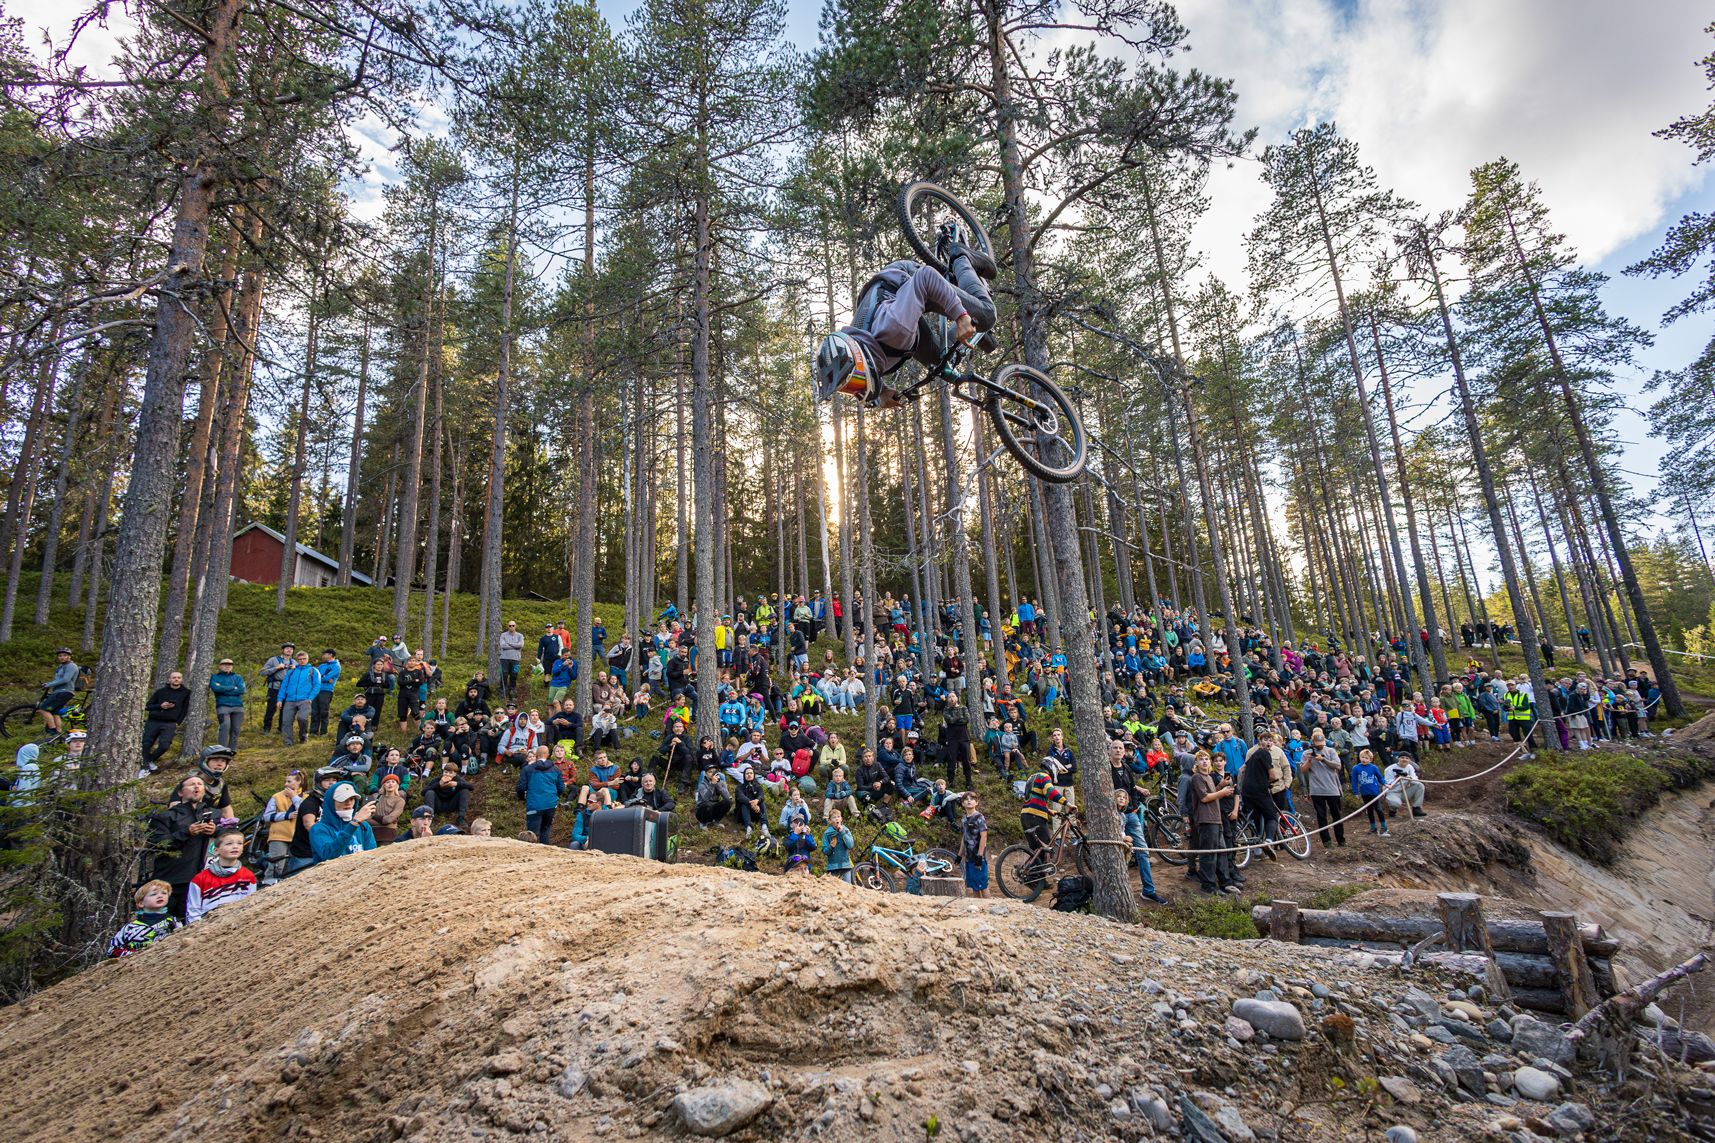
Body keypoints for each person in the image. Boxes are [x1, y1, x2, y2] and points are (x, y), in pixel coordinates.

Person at [145, 774, 222, 919]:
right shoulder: (166, 816)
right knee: (164, 921)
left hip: (204, 879)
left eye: (200, 784)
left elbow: (231, 837)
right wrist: (186, 833)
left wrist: (216, 831)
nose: (197, 786)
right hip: (172, 879)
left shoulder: (215, 815)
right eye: (191, 784)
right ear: (180, 792)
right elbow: (155, 843)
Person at [1189, 753, 1240, 895]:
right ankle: (1208, 884)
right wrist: (1222, 792)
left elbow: (1213, 793)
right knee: (1209, 854)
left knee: (1222, 852)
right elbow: (1204, 798)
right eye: (1201, 759)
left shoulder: (1209, 777)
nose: (1204, 762)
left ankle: (1225, 882)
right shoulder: (1197, 777)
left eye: (1206, 759)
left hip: (1217, 819)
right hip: (1206, 819)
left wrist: (1221, 787)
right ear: (1196, 763)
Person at [186, 827, 257, 923]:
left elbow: (252, 904)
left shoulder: (248, 876)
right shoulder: (200, 879)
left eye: (239, 843)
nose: (235, 846)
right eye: (229, 844)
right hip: (208, 928)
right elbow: (193, 911)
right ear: (216, 850)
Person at [1111, 786, 1167, 904]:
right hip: (1117, 840)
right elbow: (1111, 830)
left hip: (1130, 815)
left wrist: (1134, 806)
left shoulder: (1121, 814)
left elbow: (1132, 787)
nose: (1121, 799)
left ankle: (1147, 891)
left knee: (1141, 852)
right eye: (1119, 797)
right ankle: (1119, 895)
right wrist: (1123, 837)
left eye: (1124, 798)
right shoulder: (1112, 814)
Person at [285, 767, 344, 876]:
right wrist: (326, 841)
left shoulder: (335, 803)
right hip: (306, 854)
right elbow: (308, 824)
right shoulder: (311, 802)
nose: (331, 783)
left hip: (325, 852)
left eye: (334, 780)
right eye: (327, 780)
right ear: (319, 782)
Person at [107, 880, 182, 957]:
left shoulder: (173, 922)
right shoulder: (129, 928)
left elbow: (181, 941)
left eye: (164, 893)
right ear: (141, 903)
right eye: (153, 894)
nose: (160, 896)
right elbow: (112, 950)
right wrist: (135, 955)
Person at [309, 782, 377, 862]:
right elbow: (329, 855)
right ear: (331, 802)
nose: (348, 803)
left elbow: (372, 856)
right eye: (343, 799)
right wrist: (354, 823)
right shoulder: (319, 828)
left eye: (351, 799)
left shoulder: (363, 826)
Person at [259, 770, 304, 884]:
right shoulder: (277, 797)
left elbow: (304, 810)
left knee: (292, 868)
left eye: (289, 781)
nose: (286, 784)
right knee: (275, 866)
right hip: (279, 835)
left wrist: (294, 797)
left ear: (299, 782)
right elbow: (267, 816)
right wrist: (286, 815)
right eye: (285, 781)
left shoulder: (306, 796)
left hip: (298, 837)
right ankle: (267, 888)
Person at [141, 670, 192, 766]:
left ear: (181, 679)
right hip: (153, 720)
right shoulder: (160, 692)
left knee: (164, 746)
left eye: (178, 677)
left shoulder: (186, 693)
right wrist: (161, 706)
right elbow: (147, 706)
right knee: (146, 743)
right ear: (169, 679)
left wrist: (178, 722)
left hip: (170, 722)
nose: (176, 679)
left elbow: (185, 709)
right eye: (174, 677)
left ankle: (149, 761)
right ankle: (145, 766)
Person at [1304, 730, 1346, 848]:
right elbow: (1303, 770)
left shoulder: (1330, 751)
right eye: (1317, 743)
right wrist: (1309, 760)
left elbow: (1338, 766)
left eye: (1321, 743)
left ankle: (1341, 839)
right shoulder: (1307, 753)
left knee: (1337, 815)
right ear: (1312, 741)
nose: (1320, 745)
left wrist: (1322, 759)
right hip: (1316, 790)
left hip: (1332, 788)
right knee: (1321, 816)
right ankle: (1326, 841)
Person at [517, 749, 566, 843]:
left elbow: (520, 786)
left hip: (534, 803)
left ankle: (530, 854)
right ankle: (545, 852)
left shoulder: (528, 769)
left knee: (532, 833)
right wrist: (554, 796)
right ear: (548, 755)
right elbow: (561, 788)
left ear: (536, 756)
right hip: (551, 804)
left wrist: (522, 797)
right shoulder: (555, 769)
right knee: (546, 828)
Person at [277, 651, 321, 746]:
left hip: (305, 699)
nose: (302, 661)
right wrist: (280, 699)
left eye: (304, 659)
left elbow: (317, 685)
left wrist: (310, 698)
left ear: (307, 659)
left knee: (302, 718)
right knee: (286, 721)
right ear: (296, 660)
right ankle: (288, 741)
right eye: (300, 659)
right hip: (290, 700)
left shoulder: (313, 671)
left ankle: (303, 736)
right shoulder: (291, 671)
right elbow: (284, 686)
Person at [34, 647, 79, 737]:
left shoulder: (71, 666)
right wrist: (49, 685)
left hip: (64, 692)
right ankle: (58, 734)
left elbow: (66, 679)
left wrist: (48, 684)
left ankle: (53, 730)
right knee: (55, 712)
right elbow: (58, 680)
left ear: (69, 656)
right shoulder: (61, 667)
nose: (62, 657)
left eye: (64, 655)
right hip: (58, 692)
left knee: (42, 709)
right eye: (60, 656)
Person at [422, 762, 474, 829]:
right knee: (429, 792)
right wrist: (438, 785)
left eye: (450, 773)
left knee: (465, 790)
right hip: (438, 805)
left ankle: (461, 818)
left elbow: (471, 787)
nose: (447, 775)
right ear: (443, 772)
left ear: (455, 774)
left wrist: (457, 784)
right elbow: (423, 792)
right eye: (446, 772)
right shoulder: (437, 780)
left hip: (452, 804)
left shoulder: (457, 779)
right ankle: (430, 819)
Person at [208, 658, 247, 747]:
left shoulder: (238, 677)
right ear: (220, 666)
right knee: (225, 726)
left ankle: (232, 750)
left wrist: (223, 689)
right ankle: (221, 748)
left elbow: (241, 690)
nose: (227, 666)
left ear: (232, 666)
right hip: (223, 706)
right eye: (224, 664)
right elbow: (215, 689)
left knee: (236, 730)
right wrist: (233, 687)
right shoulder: (214, 677)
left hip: (238, 706)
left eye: (230, 664)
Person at [957, 791, 989, 898]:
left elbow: (984, 836)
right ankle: (979, 909)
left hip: (979, 857)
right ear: (962, 804)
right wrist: (959, 855)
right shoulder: (964, 819)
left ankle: (988, 907)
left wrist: (980, 856)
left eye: (972, 799)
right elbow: (964, 837)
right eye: (966, 799)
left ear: (976, 802)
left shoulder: (979, 817)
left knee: (982, 885)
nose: (969, 800)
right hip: (968, 858)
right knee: (974, 886)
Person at [261, 643, 296, 733]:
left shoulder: (294, 662)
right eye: (287, 648)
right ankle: (267, 729)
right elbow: (262, 672)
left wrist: (295, 669)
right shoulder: (273, 660)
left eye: (291, 649)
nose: (289, 650)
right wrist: (276, 668)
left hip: (288, 690)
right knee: (271, 709)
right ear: (282, 650)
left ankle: (281, 730)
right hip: (274, 688)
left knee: (285, 710)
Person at [1351, 748, 1387, 835]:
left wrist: (1385, 784)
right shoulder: (1356, 768)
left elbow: (1380, 777)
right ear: (1360, 757)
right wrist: (1355, 792)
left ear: (1370, 760)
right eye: (1363, 757)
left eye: (1366, 758)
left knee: (1378, 808)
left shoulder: (1373, 768)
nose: (1364, 759)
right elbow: (1354, 780)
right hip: (1364, 792)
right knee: (1369, 810)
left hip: (1374, 792)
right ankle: (1373, 826)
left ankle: (1383, 826)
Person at [1383, 754, 1426, 818]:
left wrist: (1409, 778)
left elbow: (1415, 780)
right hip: (1392, 792)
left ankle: (1416, 809)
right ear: (1398, 758)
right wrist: (1396, 779)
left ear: (1409, 760)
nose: (1404, 760)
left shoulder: (1410, 767)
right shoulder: (1389, 769)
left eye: (1407, 758)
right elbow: (1387, 783)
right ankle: (1392, 811)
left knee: (1419, 786)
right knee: (1396, 804)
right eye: (1402, 758)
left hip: (1404, 791)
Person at [371, 773, 407, 844]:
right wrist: (385, 821)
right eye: (387, 782)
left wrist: (372, 817)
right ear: (384, 785)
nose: (390, 784)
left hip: (388, 836)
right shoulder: (376, 798)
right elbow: (365, 818)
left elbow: (388, 819)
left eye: (393, 782)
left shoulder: (400, 801)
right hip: (372, 835)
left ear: (396, 785)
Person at [822, 808, 855, 884]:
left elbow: (850, 845)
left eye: (838, 817)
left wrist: (843, 832)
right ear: (830, 821)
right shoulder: (827, 833)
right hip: (833, 867)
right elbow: (824, 851)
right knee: (834, 890)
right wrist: (830, 847)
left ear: (841, 819)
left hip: (845, 865)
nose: (837, 819)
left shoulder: (846, 830)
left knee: (848, 889)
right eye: (834, 817)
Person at [498, 620, 525, 698]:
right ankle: (502, 692)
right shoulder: (503, 635)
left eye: (513, 625)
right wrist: (515, 645)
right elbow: (503, 646)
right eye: (510, 626)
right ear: (508, 626)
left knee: (514, 675)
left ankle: (512, 692)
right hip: (504, 658)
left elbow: (521, 645)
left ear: (515, 626)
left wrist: (509, 644)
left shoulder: (520, 635)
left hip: (515, 659)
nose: (511, 627)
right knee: (504, 675)